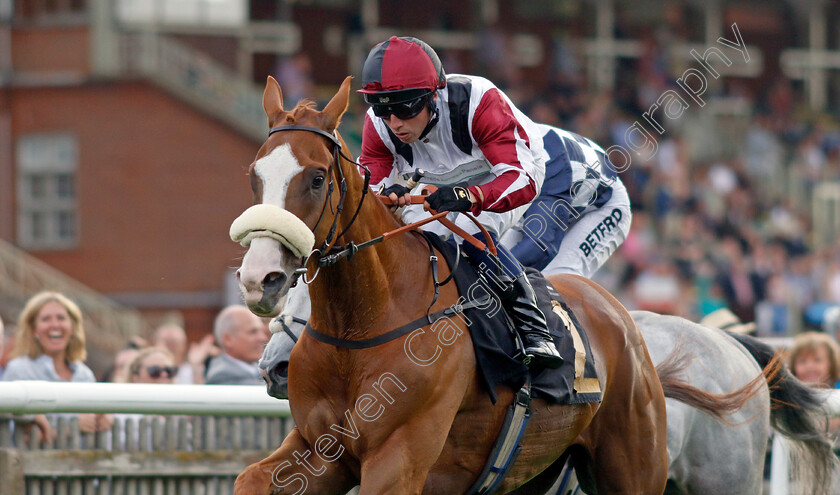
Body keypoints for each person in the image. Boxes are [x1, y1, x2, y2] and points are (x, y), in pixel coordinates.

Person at [358, 36, 561, 368]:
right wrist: (386, 196)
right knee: (407, 236)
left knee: (465, 232)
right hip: (436, 182)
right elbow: (371, 187)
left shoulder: (479, 101)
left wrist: (471, 196)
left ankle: (534, 326)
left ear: (433, 96)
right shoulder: (377, 125)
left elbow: (520, 179)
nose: (394, 122)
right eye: (383, 108)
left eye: (405, 108)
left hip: (506, 174)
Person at [499, 124, 632, 278]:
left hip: (603, 204)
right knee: (498, 261)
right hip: (565, 193)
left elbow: (539, 246)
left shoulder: (547, 169)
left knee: (555, 277)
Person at [3, 291, 112, 433]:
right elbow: (12, 432)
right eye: (46, 319)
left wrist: (103, 419)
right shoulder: (19, 369)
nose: (55, 325)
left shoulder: (84, 375)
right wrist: (70, 429)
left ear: (72, 328)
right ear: (34, 329)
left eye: (61, 318)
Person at [205, 305, 268, 385]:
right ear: (228, 339)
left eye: (262, 331)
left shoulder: (261, 368)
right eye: (253, 332)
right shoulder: (222, 376)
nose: (263, 338)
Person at [152, 324, 218, 385]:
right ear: (154, 345)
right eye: (166, 342)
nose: (171, 347)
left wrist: (196, 366)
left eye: (175, 342)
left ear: (184, 345)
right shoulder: (149, 370)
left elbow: (200, 394)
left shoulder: (190, 370)